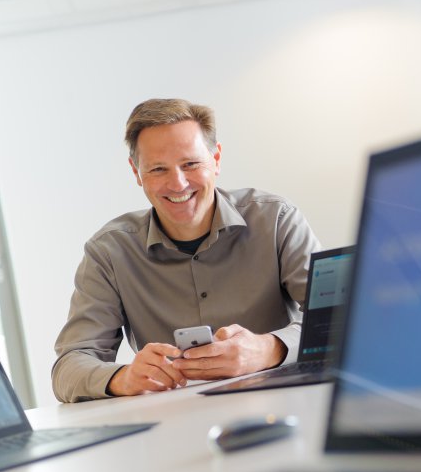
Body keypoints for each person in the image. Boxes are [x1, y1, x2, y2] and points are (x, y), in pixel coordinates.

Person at [52, 98, 321, 403]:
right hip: (172, 424)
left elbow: (341, 322)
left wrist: (270, 348)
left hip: (285, 406)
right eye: (157, 169)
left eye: (191, 164)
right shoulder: (109, 252)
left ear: (216, 159)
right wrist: (122, 378)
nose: (177, 184)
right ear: (136, 171)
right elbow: (68, 369)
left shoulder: (276, 220)